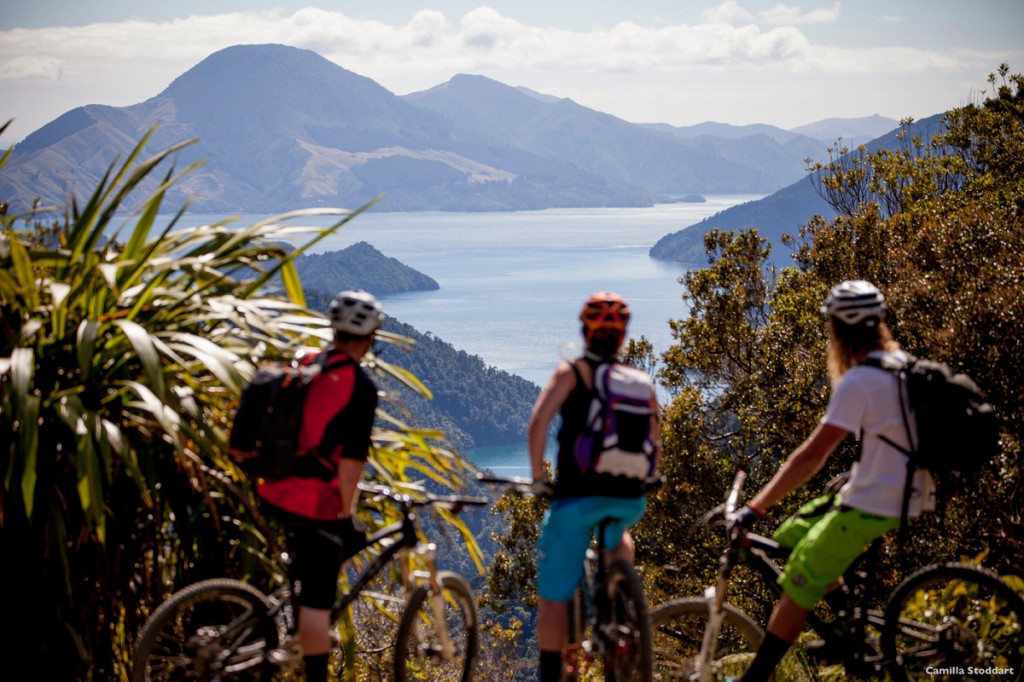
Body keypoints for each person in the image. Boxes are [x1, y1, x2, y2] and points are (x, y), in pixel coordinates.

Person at [728, 280, 935, 682]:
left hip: (879, 500)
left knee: (801, 572)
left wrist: (754, 507)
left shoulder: (859, 380)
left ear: (838, 330)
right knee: (794, 534)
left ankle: (755, 678)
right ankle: (847, 633)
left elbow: (810, 457)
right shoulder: (901, 365)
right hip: (896, 490)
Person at [529, 291, 662, 682]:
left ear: (586, 333)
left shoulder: (573, 372)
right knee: (618, 537)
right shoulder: (639, 381)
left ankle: (552, 675)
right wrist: (650, 477)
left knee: (553, 599)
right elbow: (655, 436)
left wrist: (539, 479)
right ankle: (621, 599)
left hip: (577, 496)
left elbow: (538, 425)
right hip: (629, 497)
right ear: (622, 338)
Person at [256, 290, 384, 682]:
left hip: (271, 488)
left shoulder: (305, 362)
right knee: (318, 596)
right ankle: (311, 663)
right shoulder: (359, 386)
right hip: (311, 500)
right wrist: (345, 513)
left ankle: (286, 631)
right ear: (371, 338)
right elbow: (350, 465)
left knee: (311, 567)